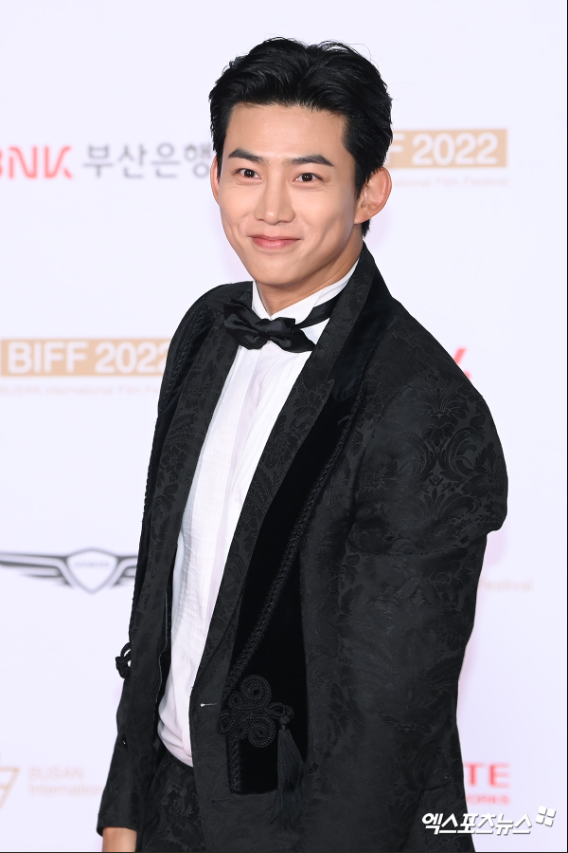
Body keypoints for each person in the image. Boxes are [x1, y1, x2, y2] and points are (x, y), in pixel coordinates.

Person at [98, 38, 507, 853]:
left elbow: (390, 721)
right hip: (172, 804)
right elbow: (165, 599)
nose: (272, 209)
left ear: (370, 191)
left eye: (309, 177)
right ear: (216, 178)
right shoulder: (207, 329)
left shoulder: (423, 406)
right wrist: (126, 807)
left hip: (315, 826)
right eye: (248, 172)